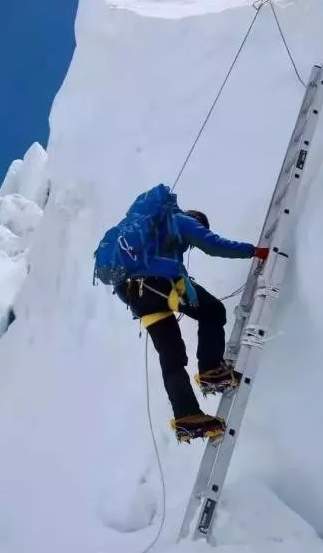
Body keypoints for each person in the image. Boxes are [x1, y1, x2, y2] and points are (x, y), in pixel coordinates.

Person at [94, 186, 269, 443]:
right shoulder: (182, 221)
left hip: (137, 299)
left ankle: (187, 416)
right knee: (212, 310)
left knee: (171, 356)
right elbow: (214, 245)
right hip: (160, 284)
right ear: (196, 218)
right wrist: (253, 251)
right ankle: (212, 371)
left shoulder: (147, 230)